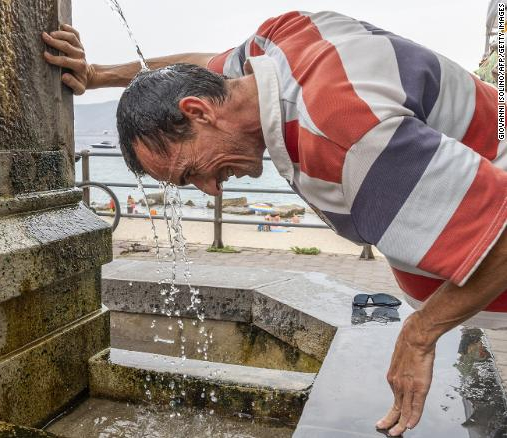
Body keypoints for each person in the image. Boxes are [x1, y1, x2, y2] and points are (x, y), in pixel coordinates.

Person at [43, 11, 507, 436]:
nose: (212, 190)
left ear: (198, 112)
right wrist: (101, 75)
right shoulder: (275, 46)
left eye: (191, 172)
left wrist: (421, 333)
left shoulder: (341, 136)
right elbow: (199, 64)